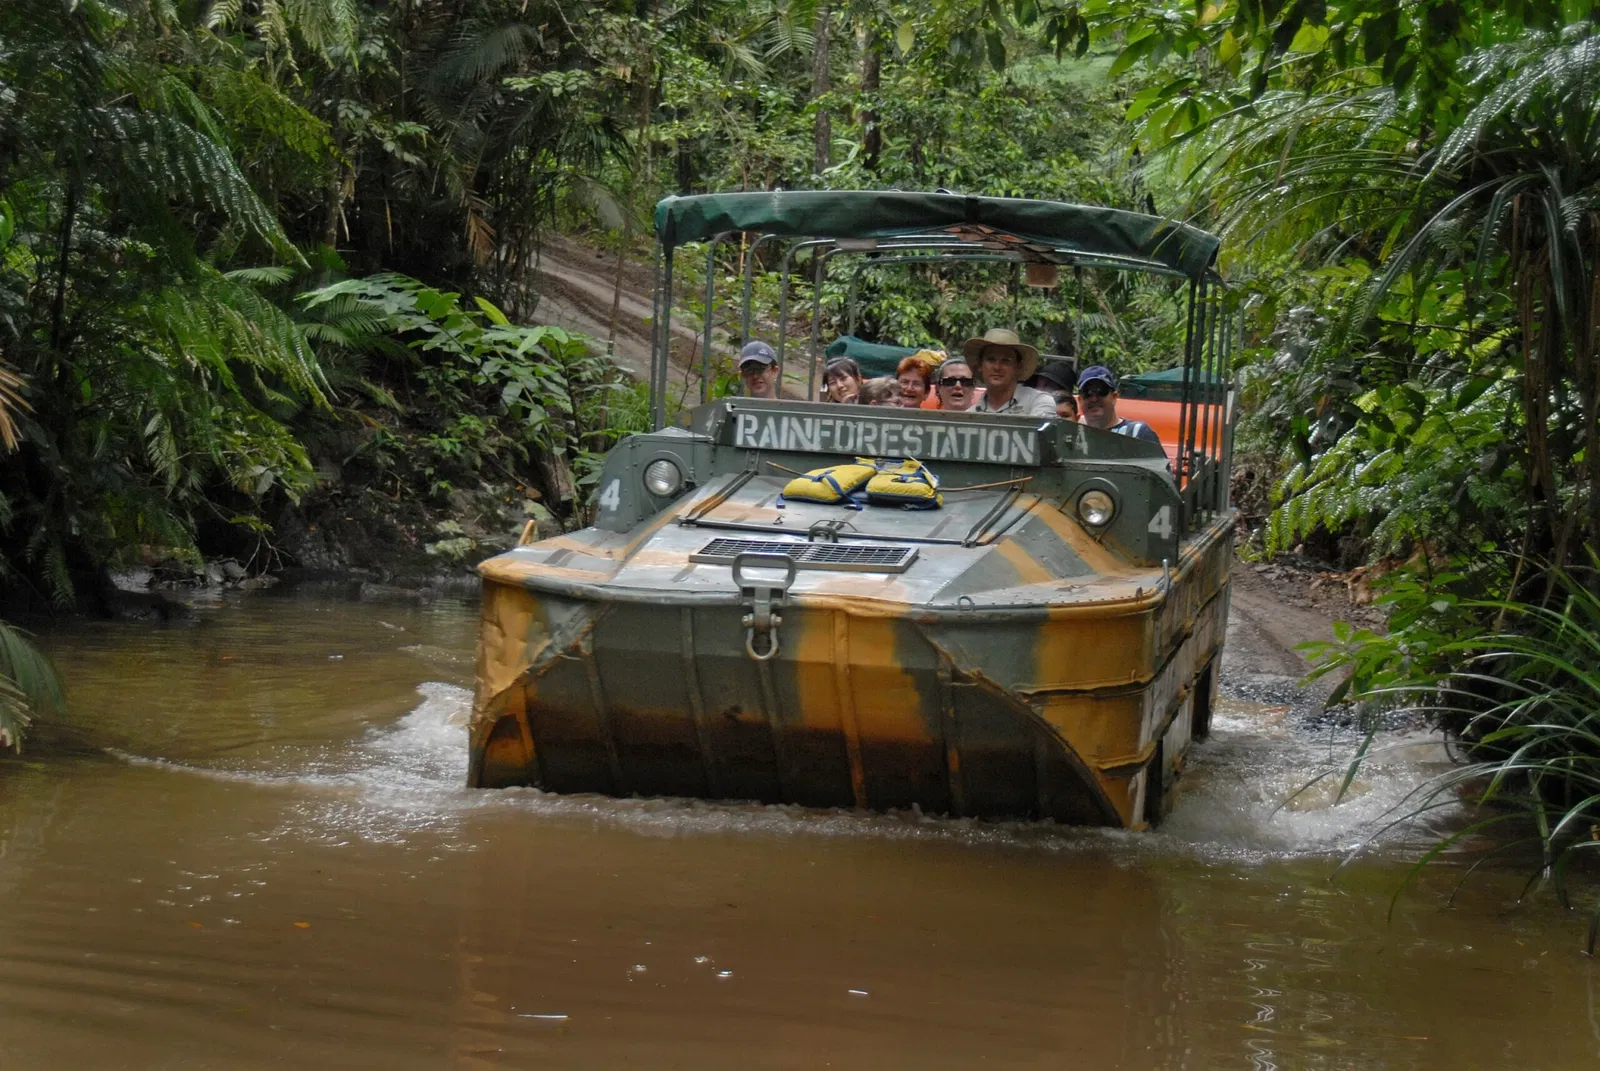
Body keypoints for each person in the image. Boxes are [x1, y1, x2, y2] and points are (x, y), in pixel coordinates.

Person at [962, 328, 1057, 418]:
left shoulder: (1038, 401)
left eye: (1006, 361)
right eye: (991, 360)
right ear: (979, 365)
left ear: (1018, 367)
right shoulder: (970, 416)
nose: (997, 367)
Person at [1076, 364, 1161, 445]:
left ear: (1114, 397)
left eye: (1101, 391)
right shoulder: (1074, 435)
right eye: (1087, 393)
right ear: (1080, 400)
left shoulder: (1137, 433)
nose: (1094, 399)